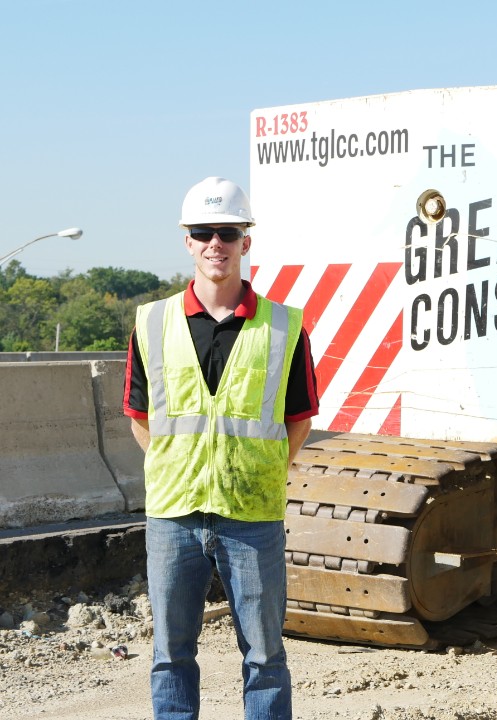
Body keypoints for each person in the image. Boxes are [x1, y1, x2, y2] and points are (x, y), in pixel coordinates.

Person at [123, 176, 318, 719]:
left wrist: (259, 468)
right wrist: (178, 467)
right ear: (188, 241)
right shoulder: (153, 322)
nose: (216, 243)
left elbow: (297, 419)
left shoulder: (282, 326)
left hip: (251, 515)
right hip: (173, 515)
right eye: (204, 232)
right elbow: (139, 416)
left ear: (245, 241)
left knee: (264, 658)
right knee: (170, 656)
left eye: (227, 232)